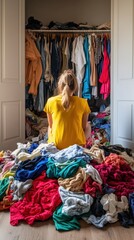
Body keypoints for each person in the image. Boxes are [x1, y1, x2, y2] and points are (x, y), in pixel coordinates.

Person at [44, 69, 91, 150]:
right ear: (75, 87)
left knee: (49, 126)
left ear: (59, 85)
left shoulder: (50, 101)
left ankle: (52, 144)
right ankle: (82, 145)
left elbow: (51, 126)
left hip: (57, 145)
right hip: (76, 146)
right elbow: (83, 127)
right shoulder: (83, 102)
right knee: (88, 125)